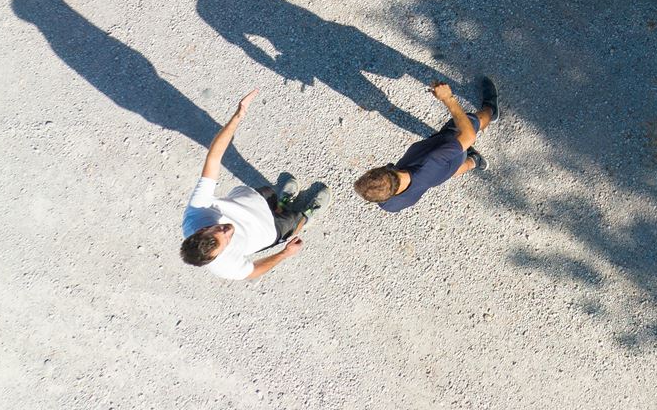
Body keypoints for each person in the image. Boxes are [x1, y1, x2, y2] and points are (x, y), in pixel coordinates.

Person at [180, 90, 327, 279]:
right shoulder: (225, 266)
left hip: (254, 199)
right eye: (226, 239)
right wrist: (284, 254)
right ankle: (306, 216)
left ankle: (281, 204)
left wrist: (238, 116)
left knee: (270, 193)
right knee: (294, 222)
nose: (227, 230)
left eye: (219, 229)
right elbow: (253, 271)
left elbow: (214, 157)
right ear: (216, 257)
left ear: (201, 229)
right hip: (269, 229)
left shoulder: (197, 211)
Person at [354, 79, 497, 212]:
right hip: (447, 146)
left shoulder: (390, 205)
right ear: (386, 168)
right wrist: (448, 99)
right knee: (473, 122)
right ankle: (491, 110)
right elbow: (469, 136)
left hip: (440, 175)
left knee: (453, 171)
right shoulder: (431, 160)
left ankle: (475, 161)